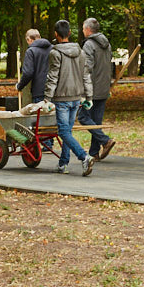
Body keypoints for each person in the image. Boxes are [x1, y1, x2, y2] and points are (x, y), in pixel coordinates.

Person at [44, 19, 95, 176]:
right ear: (70, 33)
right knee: (68, 131)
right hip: (76, 97)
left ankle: (84, 157)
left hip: (61, 98)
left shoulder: (55, 53)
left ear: (56, 34)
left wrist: (47, 99)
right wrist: (89, 97)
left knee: (63, 132)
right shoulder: (80, 52)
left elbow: (52, 77)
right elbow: (86, 76)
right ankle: (63, 164)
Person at [80, 17, 116, 160]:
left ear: (88, 30)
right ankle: (94, 152)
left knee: (83, 117)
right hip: (103, 87)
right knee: (96, 121)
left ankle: (105, 141)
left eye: (83, 28)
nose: (83, 31)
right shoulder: (107, 44)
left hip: (92, 89)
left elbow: (86, 68)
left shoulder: (89, 45)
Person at [16, 28, 52, 104]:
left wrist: (20, 86)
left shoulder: (31, 51)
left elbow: (28, 73)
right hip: (53, 90)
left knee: (40, 111)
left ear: (29, 39)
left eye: (27, 41)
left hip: (39, 92)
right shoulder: (52, 48)